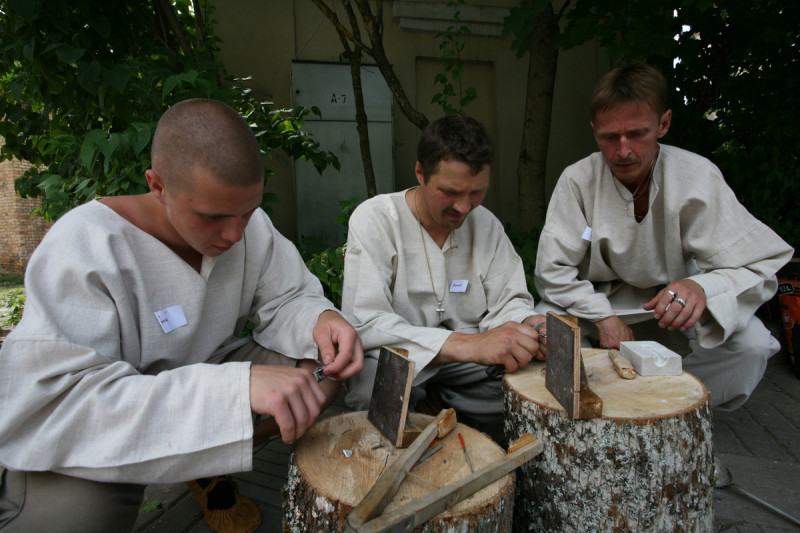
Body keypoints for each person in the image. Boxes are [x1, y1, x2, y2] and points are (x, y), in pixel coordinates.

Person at [0, 99, 363, 533]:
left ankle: (206, 452)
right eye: (212, 217)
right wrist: (234, 390)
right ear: (157, 186)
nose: (235, 234)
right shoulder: (84, 248)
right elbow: (64, 404)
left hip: (207, 376)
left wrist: (319, 320)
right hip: (107, 421)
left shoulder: (249, 227)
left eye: (247, 212)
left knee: (323, 365)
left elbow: (286, 298)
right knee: (76, 519)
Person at [534, 62, 793, 410]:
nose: (623, 150)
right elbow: (552, 272)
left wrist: (703, 287)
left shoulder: (696, 176)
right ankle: (593, 413)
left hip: (673, 303)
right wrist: (603, 316)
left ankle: (674, 411)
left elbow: (758, 262)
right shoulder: (578, 180)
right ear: (594, 130)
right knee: (544, 333)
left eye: (637, 133)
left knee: (751, 346)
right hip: (597, 301)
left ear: (663, 124)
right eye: (609, 137)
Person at [341, 114, 546, 438]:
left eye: (477, 193)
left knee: (525, 384)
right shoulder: (377, 219)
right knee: (372, 390)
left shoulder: (487, 225)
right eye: (450, 192)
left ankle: (453, 425)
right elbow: (365, 322)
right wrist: (468, 345)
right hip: (399, 354)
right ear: (420, 172)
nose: (464, 207)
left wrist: (527, 326)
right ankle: (416, 437)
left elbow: (509, 301)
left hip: (470, 365)